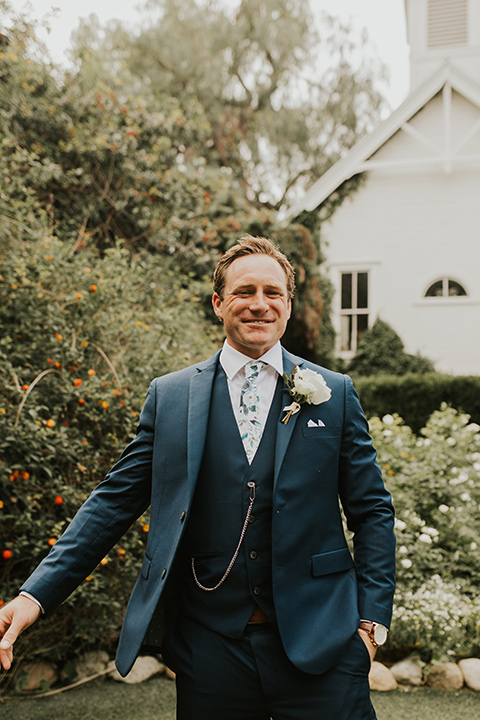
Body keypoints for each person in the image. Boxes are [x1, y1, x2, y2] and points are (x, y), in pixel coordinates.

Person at [0, 236, 395, 719]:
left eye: (273, 293)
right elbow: (112, 503)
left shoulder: (334, 392)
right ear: (218, 303)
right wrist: (33, 596)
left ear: (288, 306)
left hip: (324, 641)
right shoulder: (170, 397)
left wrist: (371, 626)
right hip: (211, 650)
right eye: (244, 291)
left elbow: (372, 510)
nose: (259, 305)